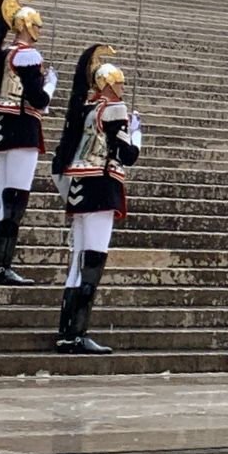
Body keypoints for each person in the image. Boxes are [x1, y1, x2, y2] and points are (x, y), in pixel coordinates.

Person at [52, 44, 142, 356]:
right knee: (92, 261)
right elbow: (126, 155)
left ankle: (67, 333)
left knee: (77, 263)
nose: (122, 89)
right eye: (119, 84)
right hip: (101, 188)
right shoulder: (114, 110)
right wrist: (136, 135)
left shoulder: (86, 110)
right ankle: (77, 333)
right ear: (108, 85)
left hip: (80, 187)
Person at [0, 0, 54, 286]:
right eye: (36, 25)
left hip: (2, 127)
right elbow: (37, 99)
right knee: (15, 199)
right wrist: (50, 87)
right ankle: (1, 265)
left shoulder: (3, 54)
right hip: (22, 128)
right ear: (24, 25)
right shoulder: (28, 56)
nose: (39, 30)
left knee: (0, 199)